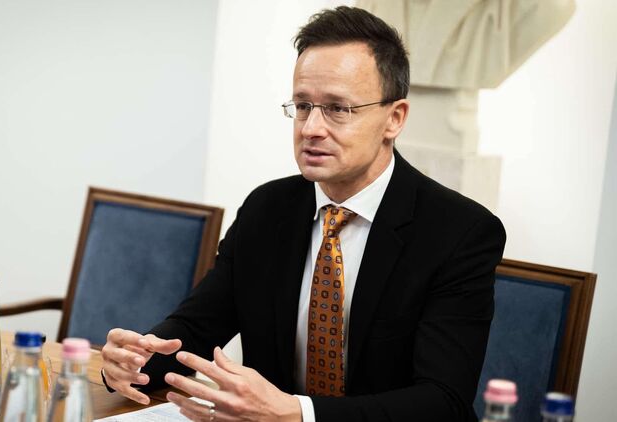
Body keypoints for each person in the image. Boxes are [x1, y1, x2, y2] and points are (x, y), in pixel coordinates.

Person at [101, 6, 505, 422]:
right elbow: (196, 329)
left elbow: (443, 402)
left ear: (394, 118)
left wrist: (298, 413)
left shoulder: (458, 232)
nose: (311, 128)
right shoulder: (267, 209)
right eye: (302, 105)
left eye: (337, 109)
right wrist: (134, 360)